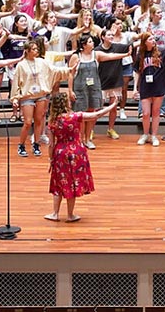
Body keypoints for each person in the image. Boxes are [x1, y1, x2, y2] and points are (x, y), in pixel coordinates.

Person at [44, 92, 120, 222]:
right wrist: (112, 105)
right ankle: (70, 215)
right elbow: (96, 115)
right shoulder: (75, 116)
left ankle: (55, 213)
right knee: (72, 183)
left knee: (58, 183)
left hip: (60, 153)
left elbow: (51, 144)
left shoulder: (52, 122)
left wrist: (51, 159)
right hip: (76, 153)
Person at [10, 40, 71, 157]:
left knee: (39, 121)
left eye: (37, 49)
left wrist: (68, 69)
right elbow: (16, 82)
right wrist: (15, 98)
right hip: (27, 96)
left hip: (41, 95)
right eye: (33, 49)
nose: (36, 51)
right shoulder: (21, 65)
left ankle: (36, 144)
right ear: (27, 51)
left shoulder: (42, 62)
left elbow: (54, 71)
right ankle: (21, 145)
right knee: (27, 122)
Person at [67, 34, 130, 148]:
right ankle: (80, 140)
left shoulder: (96, 55)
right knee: (81, 115)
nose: (93, 44)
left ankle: (87, 139)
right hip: (80, 89)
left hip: (94, 88)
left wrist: (125, 54)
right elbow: (71, 75)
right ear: (84, 45)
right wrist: (70, 91)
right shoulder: (76, 57)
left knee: (91, 113)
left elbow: (111, 56)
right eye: (90, 42)